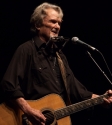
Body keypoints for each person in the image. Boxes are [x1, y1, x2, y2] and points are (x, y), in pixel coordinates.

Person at [1, 2, 112, 125]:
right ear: (38, 24)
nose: (57, 26)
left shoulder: (60, 56)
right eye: (53, 21)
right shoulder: (26, 50)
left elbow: (76, 90)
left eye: (59, 23)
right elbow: (9, 84)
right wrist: (28, 110)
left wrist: (102, 98)